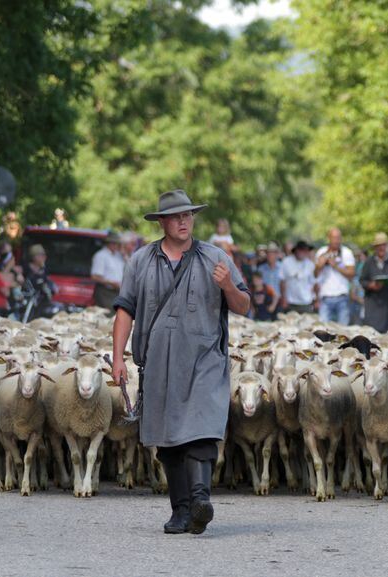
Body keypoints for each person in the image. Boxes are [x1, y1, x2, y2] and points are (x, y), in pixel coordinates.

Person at [111, 189, 250, 535]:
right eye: (175, 216)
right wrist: (118, 357)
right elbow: (125, 310)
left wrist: (228, 286)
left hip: (204, 359)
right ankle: (181, 510)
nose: (183, 221)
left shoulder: (215, 257)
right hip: (158, 361)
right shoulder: (141, 261)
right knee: (168, 434)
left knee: (202, 426)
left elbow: (243, 305)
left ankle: (201, 499)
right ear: (162, 222)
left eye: (187, 215)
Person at [315, 228, 356, 325]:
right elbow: (315, 275)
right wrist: (320, 265)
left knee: (343, 330)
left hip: (342, 297)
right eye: (334, 238)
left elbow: (351, 274)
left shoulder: (346, 252)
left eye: (338, 238)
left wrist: (336, 266)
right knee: (323, 329)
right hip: (325, 297)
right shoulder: (321, 252)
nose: (336, 240)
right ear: (329, 238)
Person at [91, 233, 126, 309]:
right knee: (107, 313)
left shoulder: (118, 255)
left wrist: (123, 254)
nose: (118, 246)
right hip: (105, 292)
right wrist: (111, 283)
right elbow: (95, 277)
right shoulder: (101, 255)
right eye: (116, 244)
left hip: (117, 292)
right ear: (110, 243)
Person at [281, 240, 316, 314]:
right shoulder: (286, 262)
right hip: (290, 302)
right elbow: (282, 281)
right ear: (296, 250)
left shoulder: (310, 264)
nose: (303, 252)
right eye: (301, 250)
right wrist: (284, 298)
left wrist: (316, 299)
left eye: (305, 250)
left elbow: (313, 283)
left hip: (306, 302)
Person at [23, 244, 57, 320]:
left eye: (44, 255)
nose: (44, 257)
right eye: (41, 255)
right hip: (29, 302)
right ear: (34, 256)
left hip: (42, 302)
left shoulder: (44, 269)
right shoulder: (26, 268)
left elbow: (46, 282)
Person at [256, 242, 284, 311]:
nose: (270, 255)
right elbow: (258, 285)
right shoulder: (261, 269)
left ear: (276, 254)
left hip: (279, 301)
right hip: (265, 301)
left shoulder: (282, 267)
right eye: (268, 253)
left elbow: (284, 285)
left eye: (272, 253)